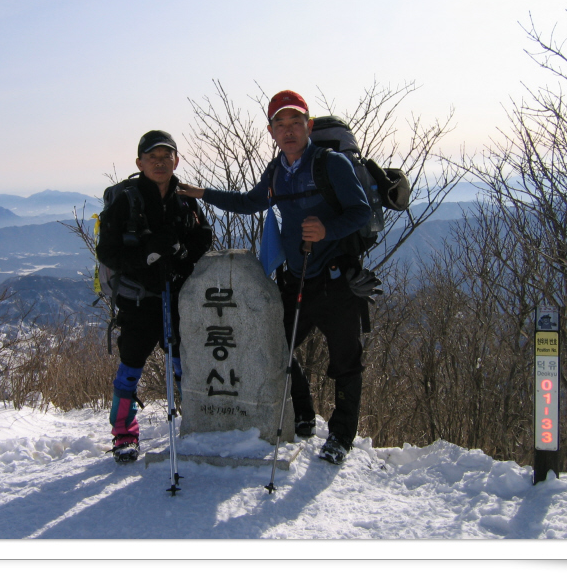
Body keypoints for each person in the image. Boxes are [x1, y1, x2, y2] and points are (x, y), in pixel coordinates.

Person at [177, 90, 371, 464]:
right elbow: (251, 202)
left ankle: (341, 437)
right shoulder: (277, 170)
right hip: (296, 280)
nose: (288, 131)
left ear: (308, 126)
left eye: (295, 122)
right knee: (278, 347)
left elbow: (359, 212)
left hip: (336, 281)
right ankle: (302, 415)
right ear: (270, 131)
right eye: (279, 124)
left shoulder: (330, 164)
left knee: (346, 362)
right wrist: (204, 193)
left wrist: (327, 230)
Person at [96, 130, 213, 463]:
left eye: (167, 157)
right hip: (138, 300)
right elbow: (107, 251)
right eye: (153, 158)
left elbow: (204, 237)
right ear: (140, 163)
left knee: (182, 364)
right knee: (131, 368)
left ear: (176, 160)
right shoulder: (126, 200)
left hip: (177, 295)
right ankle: (124, 435)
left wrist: (181, 256)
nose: (160, 163)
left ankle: (193, 424)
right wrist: (147, 256)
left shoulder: (186, 197)